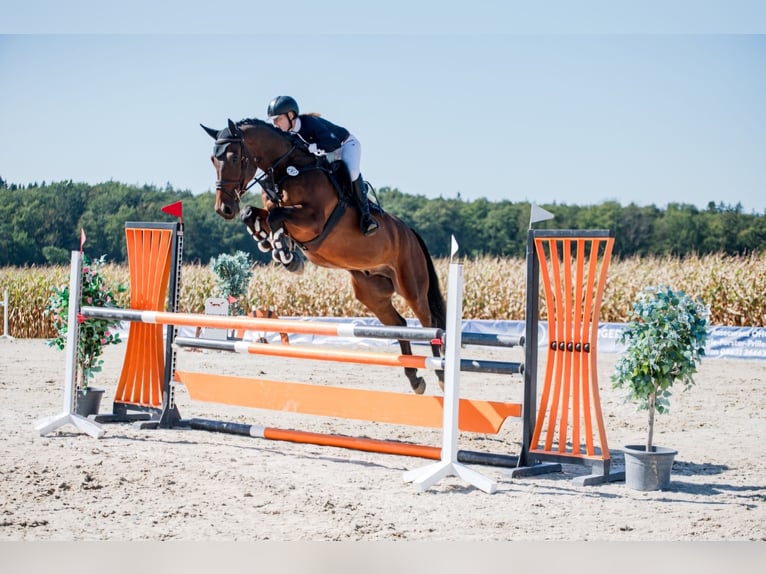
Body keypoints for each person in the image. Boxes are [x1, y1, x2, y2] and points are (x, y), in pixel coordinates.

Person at [267, 95, 379, 237]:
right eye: (273, 120)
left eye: (278, 119)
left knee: (351, 172)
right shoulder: (289, 135)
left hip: (345, 145)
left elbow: (333, 144)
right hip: (325, 153)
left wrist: (312, 147)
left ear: (290, 115)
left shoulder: (310, 123)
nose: (275, 124)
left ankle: (366, 217)